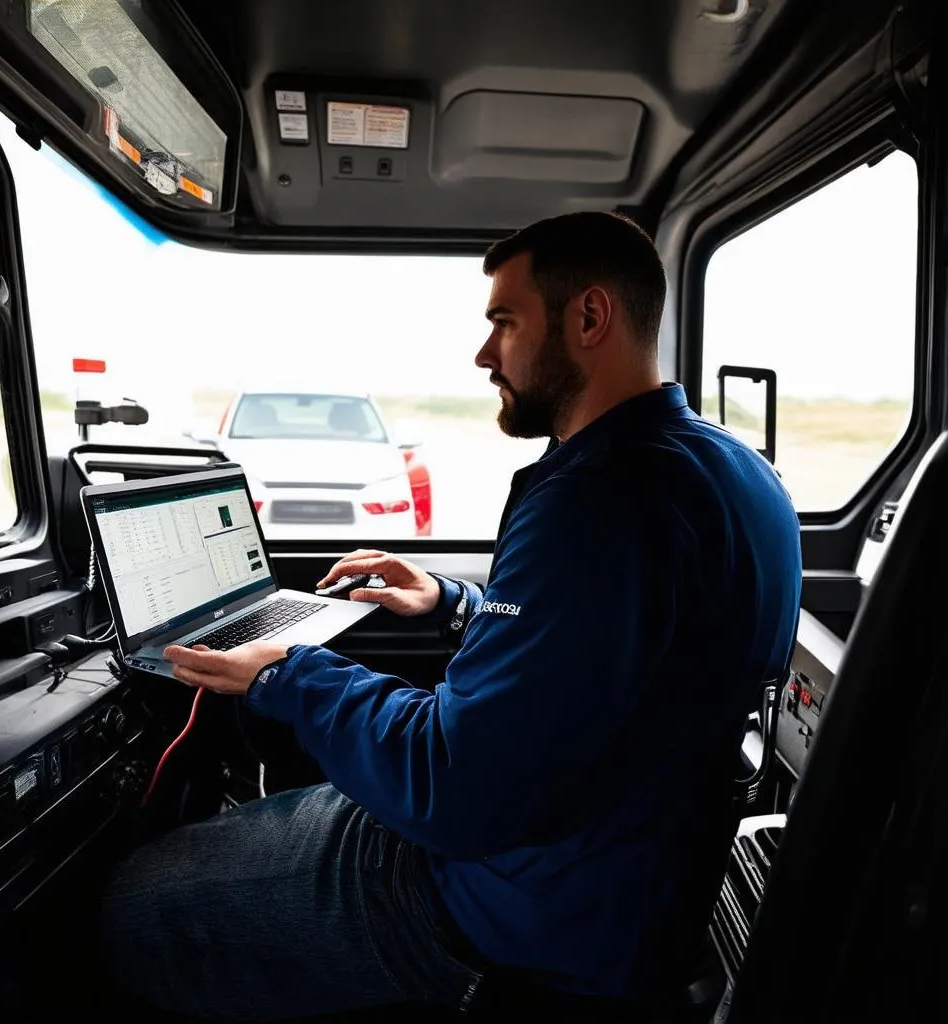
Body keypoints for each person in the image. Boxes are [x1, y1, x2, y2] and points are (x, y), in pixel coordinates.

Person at [100, 212, 802, 1021]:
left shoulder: (596, 500)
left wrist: (290, 674)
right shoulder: (740, 473)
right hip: (627, 884)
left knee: (135, 899)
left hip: (514, 906)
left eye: (504, 321)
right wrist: (452, 602)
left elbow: (453, 788)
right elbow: (605, 659)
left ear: (589, 317)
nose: (483, 353)